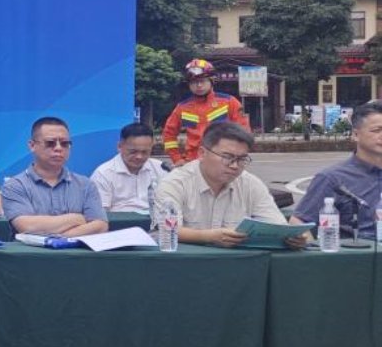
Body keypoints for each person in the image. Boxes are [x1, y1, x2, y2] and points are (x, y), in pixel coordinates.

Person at [157, 124, 306, 249]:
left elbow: (277, 225)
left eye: (241, 159)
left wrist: (291, 238)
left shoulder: (250, 183)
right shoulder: (175, 183)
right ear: (202, 153)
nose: (234, 166)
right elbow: (167, 230)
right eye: (227, 157)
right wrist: (208, 236)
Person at [1, 116, 108, 237]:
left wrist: (59, 239)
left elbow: (100, 226)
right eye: (50, 143)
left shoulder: (85, 185)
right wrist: (76, 218)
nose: (58, 148)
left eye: (65, 143)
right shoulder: (15, 185)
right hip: (32, 250)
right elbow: (26, 226)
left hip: (76, 249)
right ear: (32, 146)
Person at [291, 99, 382, 239]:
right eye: (377, 130)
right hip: (357, 249)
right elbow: (299, 223)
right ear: (355, 135)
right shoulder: (332, 178)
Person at [162, 58, 250, 167]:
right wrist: (176, 159)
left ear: (212, 81)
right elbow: (168, 134)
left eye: (202, 81)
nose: (199, 85)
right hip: (192, 163)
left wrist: (235, 158)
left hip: (223, 162)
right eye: (194, 82)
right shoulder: (182, 107)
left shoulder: (229, 102)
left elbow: (244, 132)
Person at [90, 122, 166, 213]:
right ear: (119, 147)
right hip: (119, 221)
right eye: (133, 152)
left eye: (145, 152)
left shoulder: (161, 168)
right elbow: (100, 214)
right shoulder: (103, 174)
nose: (139, 156)